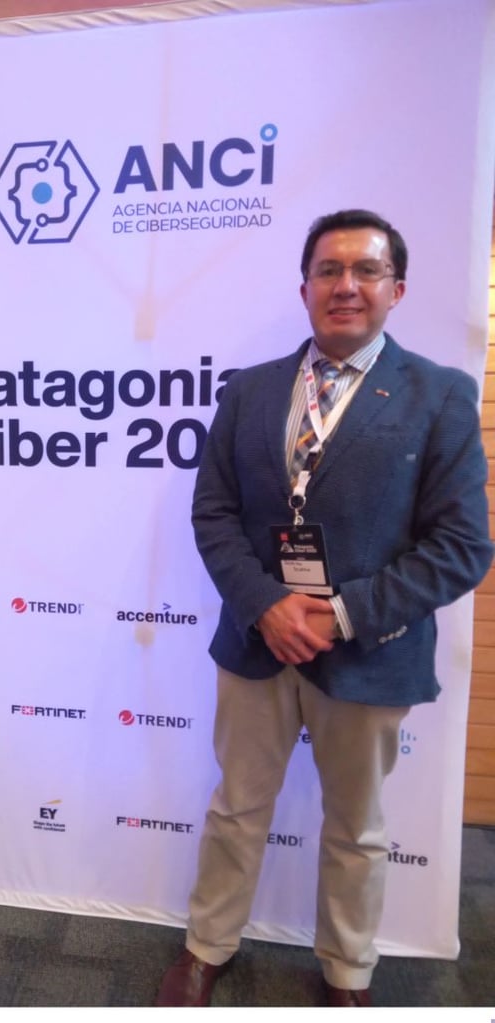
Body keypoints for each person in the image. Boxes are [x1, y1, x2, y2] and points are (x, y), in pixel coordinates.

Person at [155, 209, 493, 1008]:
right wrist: (267, 604)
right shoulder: (249, 391)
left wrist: (340, 614)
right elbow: (214, 512)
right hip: (258, 642)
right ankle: (207, 946)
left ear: (396, 288)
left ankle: (347, 971)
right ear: (303, 286)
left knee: (356, 827)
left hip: (371, 650)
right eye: (329, 270)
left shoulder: (441, 395)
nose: (346, 285)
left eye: (367, 270)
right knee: (237, 809)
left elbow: (461, 546)